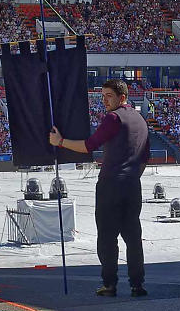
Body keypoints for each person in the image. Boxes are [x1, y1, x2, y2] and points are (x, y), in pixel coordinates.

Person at [51, 77, 152, 297]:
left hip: (110, 185)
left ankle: (110, 283)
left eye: (109, 96)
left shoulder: (113, 118)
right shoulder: (141, 120)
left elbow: (89, 145)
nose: (104, 101)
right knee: (133, 237)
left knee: (107, 238)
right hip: (133, 185)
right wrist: (132, 176)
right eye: (102, 96)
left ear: (122, 97)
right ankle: (137, 284)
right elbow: (145, 157)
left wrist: (60, 142)